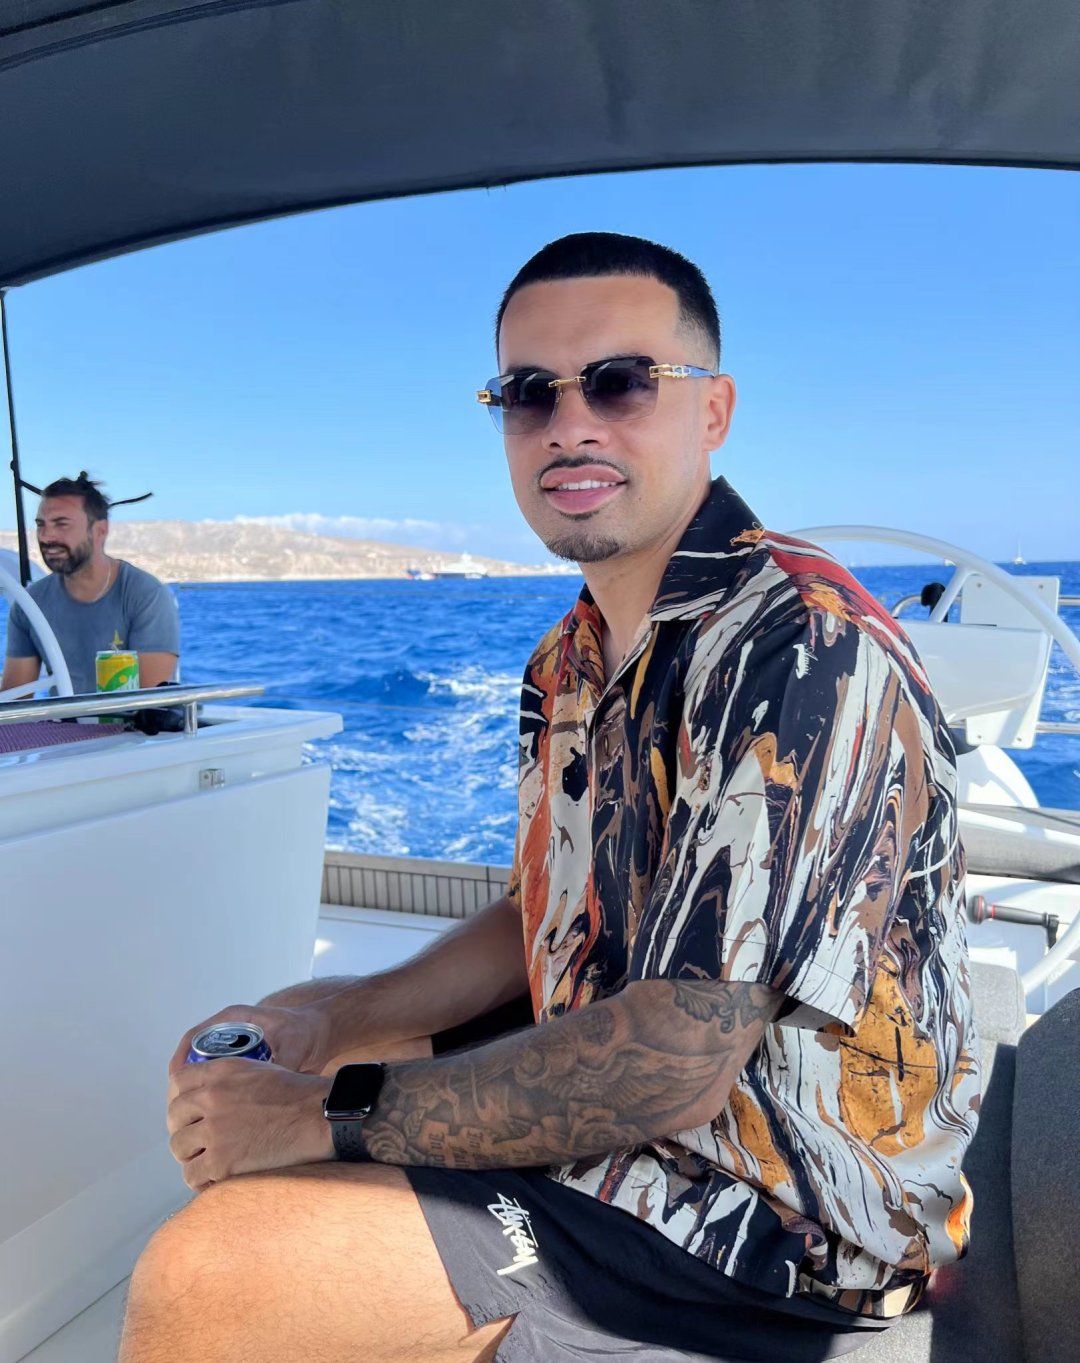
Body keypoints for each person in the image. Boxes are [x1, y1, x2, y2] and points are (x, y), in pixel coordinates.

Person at [119, 234, 980, 1363]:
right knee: (303, 1056)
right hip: (631, 1144)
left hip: (781, 1219)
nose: (571, 424)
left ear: (713, 410)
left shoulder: (800, 647)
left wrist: (328, 1115)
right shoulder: (566, 661)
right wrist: (332, 1020)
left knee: (211, 1274)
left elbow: (677, 1056)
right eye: (530, 393)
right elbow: (548, 908)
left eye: (620, 382)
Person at [1, 472, 179, 696]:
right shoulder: (30, 605)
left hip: (130, 719)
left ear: (100, 530)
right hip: (62, 720)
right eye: (41, 525)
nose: (46, 537)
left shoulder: (146, 596)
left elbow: (151, 703)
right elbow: (16, 698)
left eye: (61, 524)